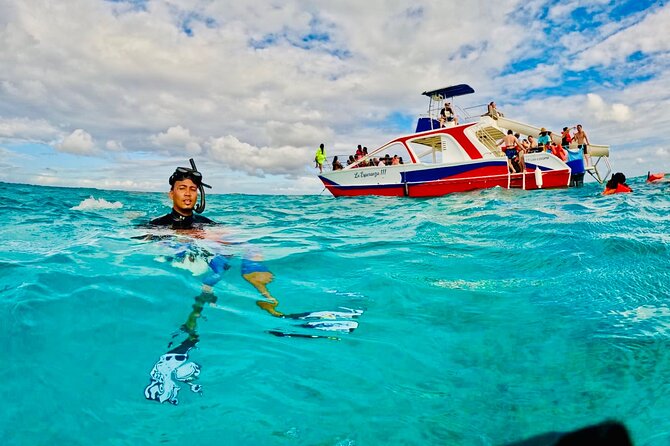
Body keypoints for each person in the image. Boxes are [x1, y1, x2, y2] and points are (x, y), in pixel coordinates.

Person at [150, 159, 215, 230]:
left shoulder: (208, 224)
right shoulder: (155, 226)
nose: (188, 193)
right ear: (171, 194)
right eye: (182, 188)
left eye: (193, 189)